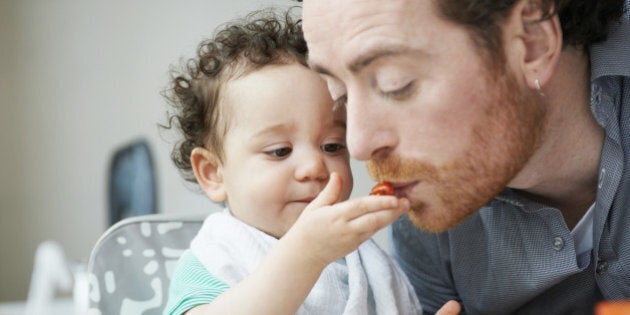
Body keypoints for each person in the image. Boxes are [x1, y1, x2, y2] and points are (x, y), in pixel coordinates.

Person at [301, 0, 630, 314]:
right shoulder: (427, 194)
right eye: (340, 97)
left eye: (395, 84)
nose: (358, 145)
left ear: (532, 42)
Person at [160, 8, 428, 315]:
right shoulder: (216, 257)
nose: (314, 167)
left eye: (332, 145)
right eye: (279, 151)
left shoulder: (362, 261)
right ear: (213, 174)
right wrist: (305, 254)